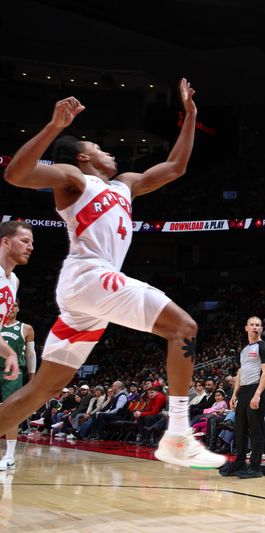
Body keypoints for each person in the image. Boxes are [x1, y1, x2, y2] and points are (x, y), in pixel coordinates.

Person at [1, 82, 225, 469]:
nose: (108, 151)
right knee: (183, 328)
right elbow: (16, 175)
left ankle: (176, 437)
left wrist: (190, 116)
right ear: (83, 158)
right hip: (90, 276)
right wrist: (54, 127)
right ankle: (177, 435)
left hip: (87, 294)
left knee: (44, 388)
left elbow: (176, 167)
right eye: (98, 147)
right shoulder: (75, 179)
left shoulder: (127, 185)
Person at [219, 316, 265, 479]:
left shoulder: (264, 347)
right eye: (252, 325)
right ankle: (240, 462)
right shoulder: (243, 350)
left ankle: (255, 466)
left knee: (255, 428)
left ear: (261, 329)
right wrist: (235, 393)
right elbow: (241, 373)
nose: (255, 327)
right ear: (246, 328)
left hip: (258, 389)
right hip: (244, 391)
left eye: (258, 325)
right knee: (239, 429)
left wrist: (257, 394)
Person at [0, 299, 36, 471]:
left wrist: (32, 376)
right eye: (10, 305)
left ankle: (9, 456)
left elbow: (31, 354)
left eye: (15, 305)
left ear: (18, 308)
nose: (12, 308)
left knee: (11, 412)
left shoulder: (26, 328)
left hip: (13, 372)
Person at [0, 221, 32, 386]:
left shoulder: (14, 281)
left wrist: (11, 354)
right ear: (6, 242)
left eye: (31, 243)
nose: (30, 247)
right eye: (25, 241)